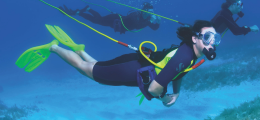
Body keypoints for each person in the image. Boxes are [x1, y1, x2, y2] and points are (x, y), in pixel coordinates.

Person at [15, 20, 220, 107]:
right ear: (195, 38)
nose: (213, 42)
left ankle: (79, 50)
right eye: (208, 36)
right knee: (88, 71)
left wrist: (178, 92)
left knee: (96, 66)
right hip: (131, 70)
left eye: (215, 38)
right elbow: (154, 87)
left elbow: (179, 73)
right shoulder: (185, 56)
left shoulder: (190, 55)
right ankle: (54, 48)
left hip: (135, 63)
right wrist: (166, 98)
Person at [58, 2, 161, 34]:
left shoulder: (148, 20)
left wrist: (158, 22)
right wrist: (150, 21)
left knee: (99, 19)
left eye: (151, 12)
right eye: (148, 11)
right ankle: (78, 13)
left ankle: (88, 9)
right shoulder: (136, 14)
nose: (149, 14)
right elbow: (136, 25)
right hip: (115, 20)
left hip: (116, 24)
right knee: (96, 20)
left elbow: (155, 28)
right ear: (144, 10)